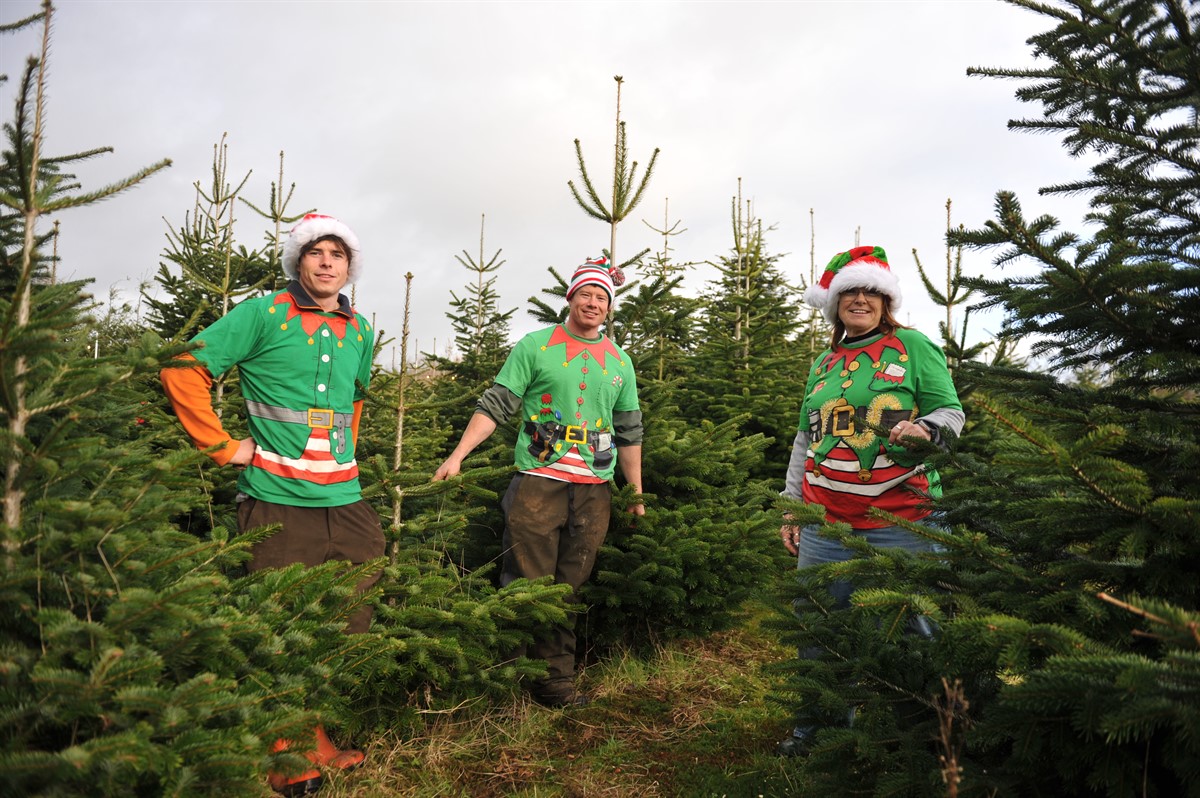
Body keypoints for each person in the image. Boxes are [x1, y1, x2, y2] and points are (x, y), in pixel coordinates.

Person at [161, 213, 383, 794]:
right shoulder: (264, 313)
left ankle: (317, 738)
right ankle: (283, 755)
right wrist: (222, 447)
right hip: (277, 499)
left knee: (346, 618)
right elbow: (183, 365)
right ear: (298, 261)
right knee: (282, 623)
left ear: (349, 266)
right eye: (317, 252)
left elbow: (352, 404)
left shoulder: (360, 329)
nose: (328, 262)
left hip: (347, 497)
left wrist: (341, 457)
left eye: (338, 253)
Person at [776, 245, 964, 756]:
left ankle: (927, 739)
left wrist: (924, 430)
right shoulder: (823, 362)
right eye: (849, 293)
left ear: (885, 301)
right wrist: (793, 506)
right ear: (834, 303)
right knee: (822, 631)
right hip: (826, 523)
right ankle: (816, 734)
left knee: (912, 630)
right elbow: (804, 440)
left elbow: (951, 412)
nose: (859, 299)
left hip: (903, 518)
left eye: (870, 292)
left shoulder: (913, 347)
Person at [433, 256, 644, 708]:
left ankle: (555, 684)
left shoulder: (621, 363)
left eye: (601, 297)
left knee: (569, 586)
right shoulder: (535, 346)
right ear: (570, 299)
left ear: (609, 308)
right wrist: (456, 457)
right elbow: (495, 405)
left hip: (593, 489)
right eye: (585, 294)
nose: (593, 302)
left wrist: (636, 493)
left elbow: (629, 432)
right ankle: (507, 681)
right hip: (537, 481)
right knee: (525, 582)